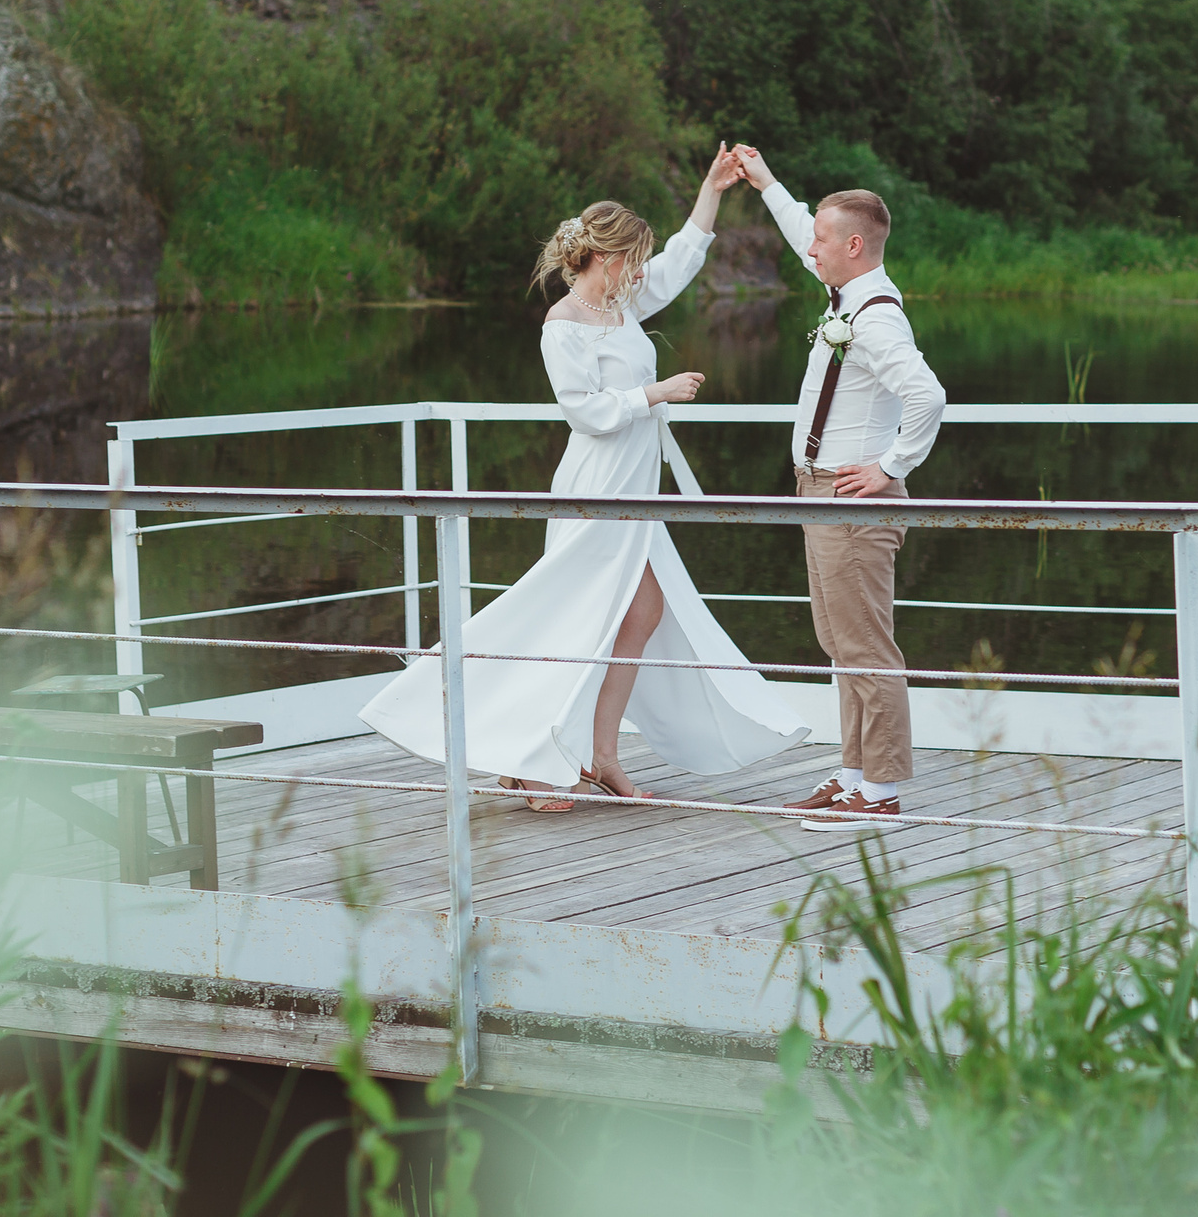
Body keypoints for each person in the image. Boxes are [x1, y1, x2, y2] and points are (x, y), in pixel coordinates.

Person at [358, 160, 809, 810]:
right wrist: (658, 391)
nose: (639, 270)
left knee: (645, 612)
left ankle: (601, 754)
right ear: (602, 256)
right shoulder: (564, 322)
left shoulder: (624, 303)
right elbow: (586, 411)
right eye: (631, 258)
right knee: (575, 623)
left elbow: (682, 261)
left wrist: (712, 190)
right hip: (596, 485)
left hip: (636, 489)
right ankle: (531, 760)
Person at [730, 146, 946, 830]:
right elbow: (804, 232)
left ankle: (880, 790)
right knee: (839, 639)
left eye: (824, 239)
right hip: (820, 493)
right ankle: (852, 773)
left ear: (853, 245)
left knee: (865, 645)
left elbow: (927, 395)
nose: (810, 249)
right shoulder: (845, 292)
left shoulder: (875, 317)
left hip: (852, 501)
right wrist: (764, 182)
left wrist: (891, 468)